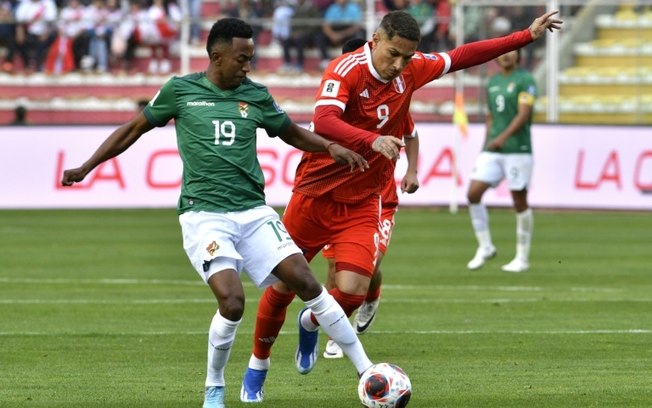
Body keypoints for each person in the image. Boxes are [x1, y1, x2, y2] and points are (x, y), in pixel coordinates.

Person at [242, 9, 562, 403]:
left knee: (356, 289)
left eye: (407, 57)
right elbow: (323, 122)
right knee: (282, 286)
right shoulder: (345, 70)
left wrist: (525, 35)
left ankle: (312, 320)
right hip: (315, 195)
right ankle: (258, 366)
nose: (399, 65)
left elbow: (462, 56)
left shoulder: (411, 70)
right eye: (393, 54)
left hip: (363, 201)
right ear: (375, 40)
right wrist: (369, 140)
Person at [60, 17, 377, 408]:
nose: (248, 66)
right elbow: (132, 129)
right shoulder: (180, 91)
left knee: (307, 283)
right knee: (232, 301)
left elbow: (291, 131)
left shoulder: (256, 96)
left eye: (251, 58)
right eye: (242, 59)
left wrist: (329, 147)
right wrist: (87, 166)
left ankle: (367, 371)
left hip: (254, 212)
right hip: (204, 215)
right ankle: (214, 387)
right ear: (217, 56)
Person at [322, 36, 419, 359]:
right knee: (335, 266)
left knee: (369, 262)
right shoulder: (338, 96)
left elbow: (410, 132)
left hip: (379, 196)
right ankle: (336, 329)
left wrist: (412, 171)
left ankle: (371, 295)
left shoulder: (390, 95)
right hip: (337, 195)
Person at [466, 48, 536, 273]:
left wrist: (502, 138)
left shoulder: (525, 80)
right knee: (473, 194)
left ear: (519, 56)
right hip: (493, 149)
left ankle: (522, 258)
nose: (506, 56)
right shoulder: (492, 82)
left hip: (518, 149)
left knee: (519, 201)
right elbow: (490, 115)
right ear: (496, 56)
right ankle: (485, 246)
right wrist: (488, 141)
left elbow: (523, 114)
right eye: (503, 52)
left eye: (511, 52)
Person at [315, 0, 364, 68]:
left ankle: (350, 61)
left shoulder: (354, 8)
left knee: (355, 37)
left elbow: (356, 26)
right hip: (335, 32)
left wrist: (341, 35)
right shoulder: (332, 8)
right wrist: (332, 35)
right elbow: (326, 25)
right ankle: (325, 60)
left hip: (348, 33)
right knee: (320, 37)